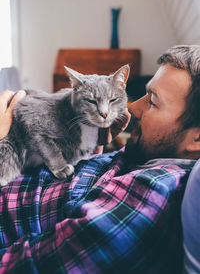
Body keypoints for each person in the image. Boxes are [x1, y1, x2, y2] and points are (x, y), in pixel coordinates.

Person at [0, 45, 199, 274]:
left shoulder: (150, 198)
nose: (132, 107)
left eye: (152, 101)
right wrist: (92, 148)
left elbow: (21, 266)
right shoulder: (147, 154)